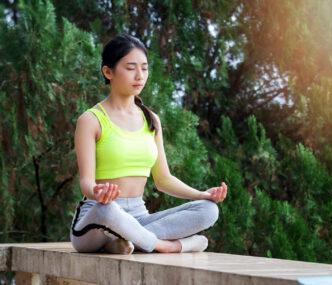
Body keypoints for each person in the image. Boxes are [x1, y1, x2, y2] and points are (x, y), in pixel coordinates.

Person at [69, 34, 228, 254]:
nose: (139, 75)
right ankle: (167, 246)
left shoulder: (151, 120)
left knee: (209, 210)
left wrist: (202, 194)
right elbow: (86, 183)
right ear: (108, 72)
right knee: (107, 210)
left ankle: (127, 241)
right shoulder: (91, 120)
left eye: (144, 68)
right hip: (98, 218)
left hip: (139, 217)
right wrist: (98, 192)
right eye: (130, 68)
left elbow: (163, 180)